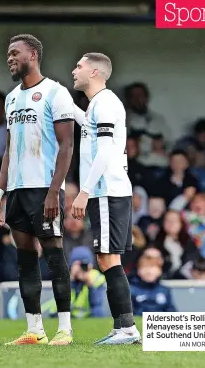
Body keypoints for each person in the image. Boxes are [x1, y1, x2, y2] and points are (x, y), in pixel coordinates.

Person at [0, 34, 75, 346]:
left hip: (44, 189)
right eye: (8, 54)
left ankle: (64, 329)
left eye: (15, 53)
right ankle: (34, 329)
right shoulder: (11, 98)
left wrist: (55, 191)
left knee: (53, 254)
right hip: (18, 190)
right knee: (24, 258)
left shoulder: (56, 92)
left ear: (33, 55)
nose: (9, 58)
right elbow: (9, 151)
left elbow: (67, 145)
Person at [70, 52, 141, 345]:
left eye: (79, 66)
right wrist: (63, 102)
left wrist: (83, 191)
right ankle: (122, 327)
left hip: (106, 191)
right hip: (106, 191)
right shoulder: (96, 106)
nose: (74, 70)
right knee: (105, 258)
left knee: (109, 258)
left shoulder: (107, 104)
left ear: (96, 72)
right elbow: (87, 125)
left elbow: (106, 151)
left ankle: (126, 329)